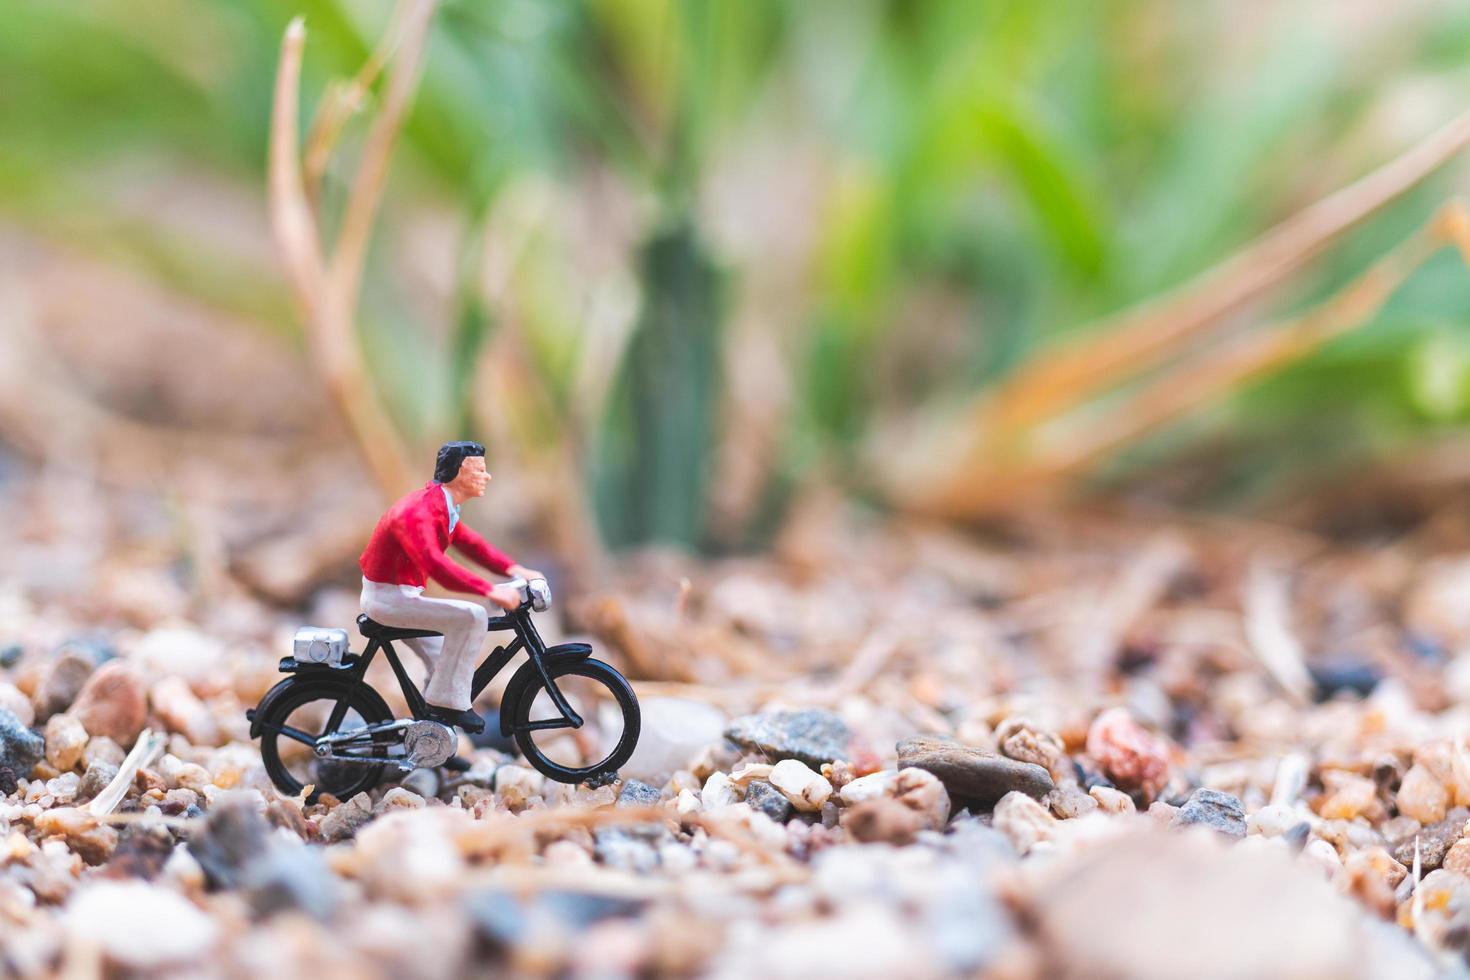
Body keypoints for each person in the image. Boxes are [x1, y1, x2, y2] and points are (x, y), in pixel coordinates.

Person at [358, 441, 543, 732]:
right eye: (480, 470)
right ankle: (449, 703)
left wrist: (513, 569)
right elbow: (435, 565)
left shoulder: (443, 506)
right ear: (459, 473)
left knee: (442, 659)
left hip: (402, 594)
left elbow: (471, 544)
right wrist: (489, 590)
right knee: (473, 616)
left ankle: (432, 735)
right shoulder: (419, 513)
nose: (487, 476)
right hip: (388, 598)